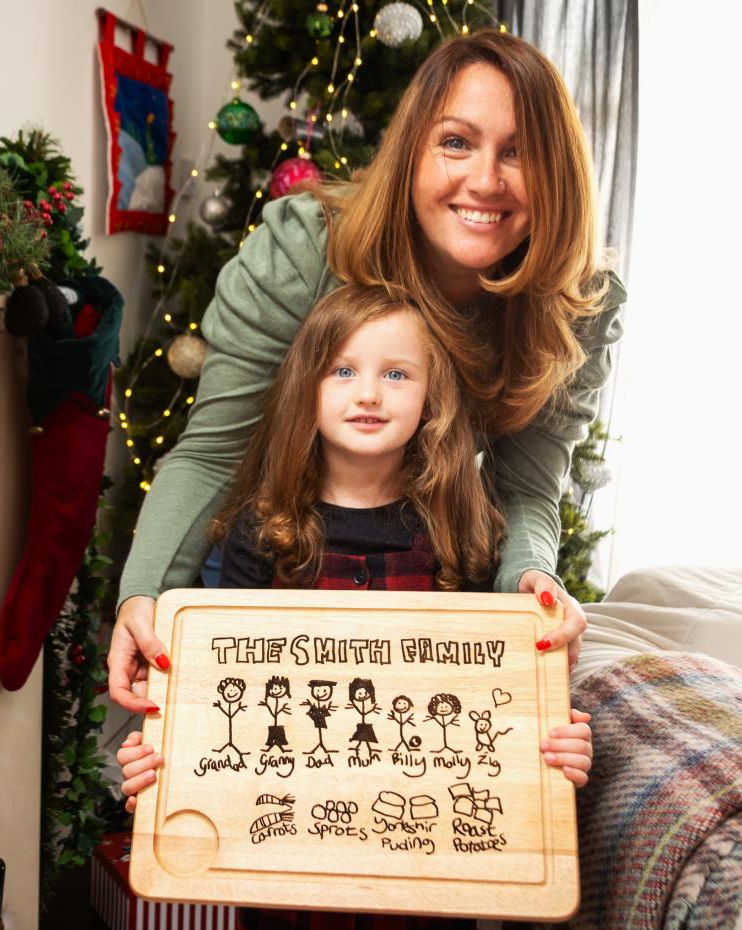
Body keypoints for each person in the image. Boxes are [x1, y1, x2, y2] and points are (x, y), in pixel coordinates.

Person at [109, 28, 623, 724]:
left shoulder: (576, 304)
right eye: (456, 142)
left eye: (519, 151)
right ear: (413, 148)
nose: (486, 180)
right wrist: (143, 596)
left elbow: (527, 489)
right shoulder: (302, 253)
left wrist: (533, 579)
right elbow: (213, 452)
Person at [118, 287, 594, 929]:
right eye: (342, 370)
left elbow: (499, 706)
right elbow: (213, 699)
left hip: (429, 871)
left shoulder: (469, 535)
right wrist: (163, 755)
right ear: (306, 388)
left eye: (396, 374)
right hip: (282, 867)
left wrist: (553, 748)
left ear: (432, 396)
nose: (368, 394)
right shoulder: (260, 533)